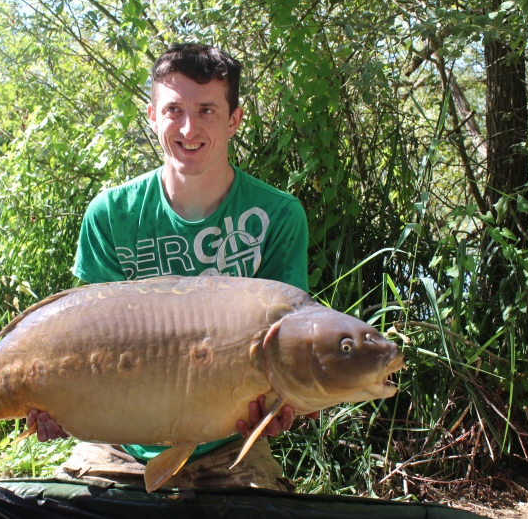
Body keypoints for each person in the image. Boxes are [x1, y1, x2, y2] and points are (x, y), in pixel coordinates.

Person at [27, 43, 315, 492]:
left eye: (206, 111)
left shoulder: (278, 216)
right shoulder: (110, 213)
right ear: (152, 115)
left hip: (226, 440)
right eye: (174, 109)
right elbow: (87, 342)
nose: (188, 127)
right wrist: (59, 403)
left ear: (235, 119)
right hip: (118, 439)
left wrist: (283, 406)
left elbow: (289, 347)